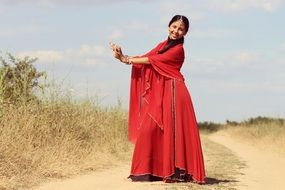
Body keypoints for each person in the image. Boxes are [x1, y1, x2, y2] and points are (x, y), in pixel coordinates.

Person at [110, 15, 205, 183]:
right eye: (174, 27)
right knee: (150, 129)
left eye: (180, 29)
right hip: (163, 91)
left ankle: (176, 171)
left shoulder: (178, 49)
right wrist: (123, 57)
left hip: (175, 92)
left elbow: (151, 60)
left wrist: (125, 59)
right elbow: (146, 57)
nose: (176, 31)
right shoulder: (162, 45)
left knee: (172, 130)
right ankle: (149, 170)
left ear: (185, 33)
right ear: (168, 26)